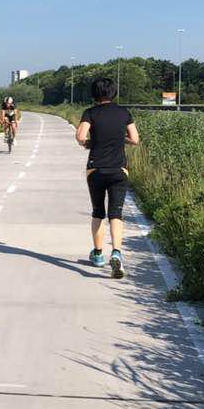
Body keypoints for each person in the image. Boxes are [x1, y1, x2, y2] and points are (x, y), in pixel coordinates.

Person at [75, 78, 139, 278]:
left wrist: (91, 143)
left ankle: (98, 254)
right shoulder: (124, 113)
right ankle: (117, 253)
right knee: (116, 214)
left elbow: (80, 136)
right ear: (114, 93)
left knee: (98, 212)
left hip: (96, 169)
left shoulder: (90, 113)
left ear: (94, 94)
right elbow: (135, 139)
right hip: (119, 170)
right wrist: (121, 139)